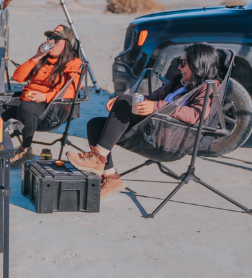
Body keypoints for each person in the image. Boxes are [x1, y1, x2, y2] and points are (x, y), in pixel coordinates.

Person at [67, 43, 221, 200]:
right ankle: (110, 177)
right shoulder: (179, 82)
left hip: (168, 141)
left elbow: (196, 114)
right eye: (178, 62)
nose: (179, 67)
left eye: (183, 63)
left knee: (125, 101)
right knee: (95, 124)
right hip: (153, 128)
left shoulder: (208, 88)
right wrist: (126, 101)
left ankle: (97, 157)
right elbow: (152, 98)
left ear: (198, 64)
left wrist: (155, 106)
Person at [0, 24, 83, 167]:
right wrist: (37, 56)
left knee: (27, 107)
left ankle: (25, 149)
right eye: (50, 37)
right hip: (26, 103)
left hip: (51, 110)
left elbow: (72, 91)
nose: (52, 41)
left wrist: (45, 97)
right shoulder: (42, 60)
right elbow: (17, 77)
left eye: (57, 38)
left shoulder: (74, 63)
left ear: (68, 43)